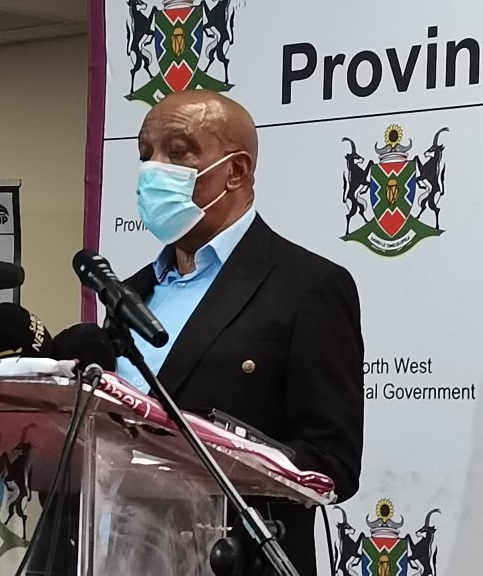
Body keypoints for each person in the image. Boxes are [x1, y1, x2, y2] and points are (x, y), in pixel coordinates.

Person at [114, 90, 365, 575]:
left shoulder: (308, 287)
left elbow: (331, 461)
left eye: (177, 152)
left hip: (235, 560)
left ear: (236, 171)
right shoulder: (128, 295)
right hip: (116, 555)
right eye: (146, 154)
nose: (153, 169)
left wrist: (206, 454)